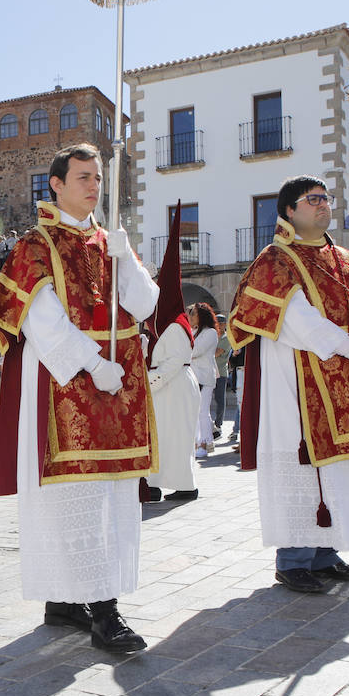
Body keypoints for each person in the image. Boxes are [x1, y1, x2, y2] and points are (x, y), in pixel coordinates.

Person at [0, 143, 157, 653]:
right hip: (61, 384)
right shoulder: (34, 247)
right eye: (83, 176)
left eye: (98, 177)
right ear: (55, 184)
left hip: (115, 388)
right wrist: (95, 364)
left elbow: (144, 305)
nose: (94, 185)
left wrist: (127, 262)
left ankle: (65, 601)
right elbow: (43, 323)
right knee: (77, 501)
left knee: (110, 496)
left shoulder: (111, 242)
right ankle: (103, 612)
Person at [228, 174, 349, 594]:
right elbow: (293, 320)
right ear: (289, 210)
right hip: (298, 381)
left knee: (342, 471)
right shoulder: (275, 260)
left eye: (325, 198)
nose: (323, 205)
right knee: (302, 466)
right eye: (312, 199)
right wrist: (345, 345)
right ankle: (294, 560)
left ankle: (327, 553)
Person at [144, 213, 201, 501]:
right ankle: (152, 483)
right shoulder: (159, 325)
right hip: (163, 389)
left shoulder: (176, 325)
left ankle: (184, 485)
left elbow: (174, 361)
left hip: (174, 386)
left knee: (175, 438)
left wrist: (149, 380)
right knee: (159, 438)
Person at [190, 303, 219, 457]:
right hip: (193, 376)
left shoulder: (210, 333)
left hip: (204, 377)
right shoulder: (193, 331)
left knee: (202, 412)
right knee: (195, 412)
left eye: (194, 314)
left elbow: (194, 350)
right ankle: (196, 443)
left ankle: (205, 444)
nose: (191, 317)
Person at [213, 313, 232, 436]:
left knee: (220, 399)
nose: (219, 325)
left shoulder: (226, 338)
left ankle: (218, 424)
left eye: (221, 323)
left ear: (225, 324)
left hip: (221, 372)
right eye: (217, 323)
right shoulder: (213, 336)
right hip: (210, 371)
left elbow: (216, 353)